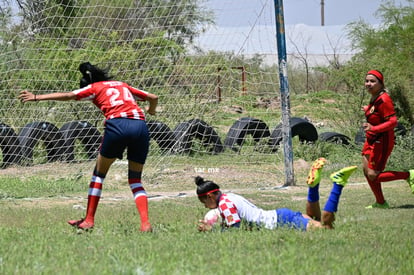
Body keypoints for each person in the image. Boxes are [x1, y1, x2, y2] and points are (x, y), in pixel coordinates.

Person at [18, 62, 158, 232]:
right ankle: (145, 223)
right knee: (135, 179)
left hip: (117, 125)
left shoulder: (94, 88)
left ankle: (89, 220)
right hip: (140, 126)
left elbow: (69, 95)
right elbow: (153, 97)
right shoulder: (122, 85)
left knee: (98, 175)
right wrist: (151, 110)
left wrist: (36, 97)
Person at [196, 158, 357, 232]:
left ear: (210, 197)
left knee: (325, 230)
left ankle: (337, 184)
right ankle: (313, 188)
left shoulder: (224, 204)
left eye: (204, 202)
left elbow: (236, 229)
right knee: (314, 219)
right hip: (279, 215)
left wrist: (213, 230)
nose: (205, 206)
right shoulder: (229, 196)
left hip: (281, 222)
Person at [361, 70, 414, 209]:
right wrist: (368, 109)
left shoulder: (384, 99)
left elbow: (393, 122)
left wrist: (373, 128)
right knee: (366, 170)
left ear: (381, 83)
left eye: (373, 81)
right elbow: (377, 113)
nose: (369, 84)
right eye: (367, 81)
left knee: (373, 175)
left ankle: (408, 175)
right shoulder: (374, 97)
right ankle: (380, 202)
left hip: (382, 140)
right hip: (371, 139)